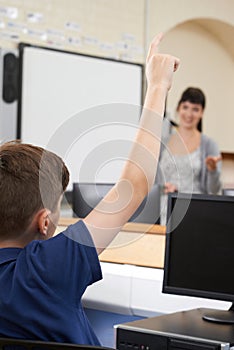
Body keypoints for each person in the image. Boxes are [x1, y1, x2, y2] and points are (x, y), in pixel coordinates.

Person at [0, 34, 179, 345]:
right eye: (58, 206)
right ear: (44, 222)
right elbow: (134, 186)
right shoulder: (44, 270)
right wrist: (158, 86)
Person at [157, 87, 222, 225]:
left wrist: (213, 171)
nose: (189, 114)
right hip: (165, 212)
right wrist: (162, 187)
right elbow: (152, 182)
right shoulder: (162, 142)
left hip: (195, 212)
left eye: (195, 109)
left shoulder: (209, 145)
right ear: (178, 108)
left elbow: (215, 191)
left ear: (202, 113)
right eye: (185, 107)